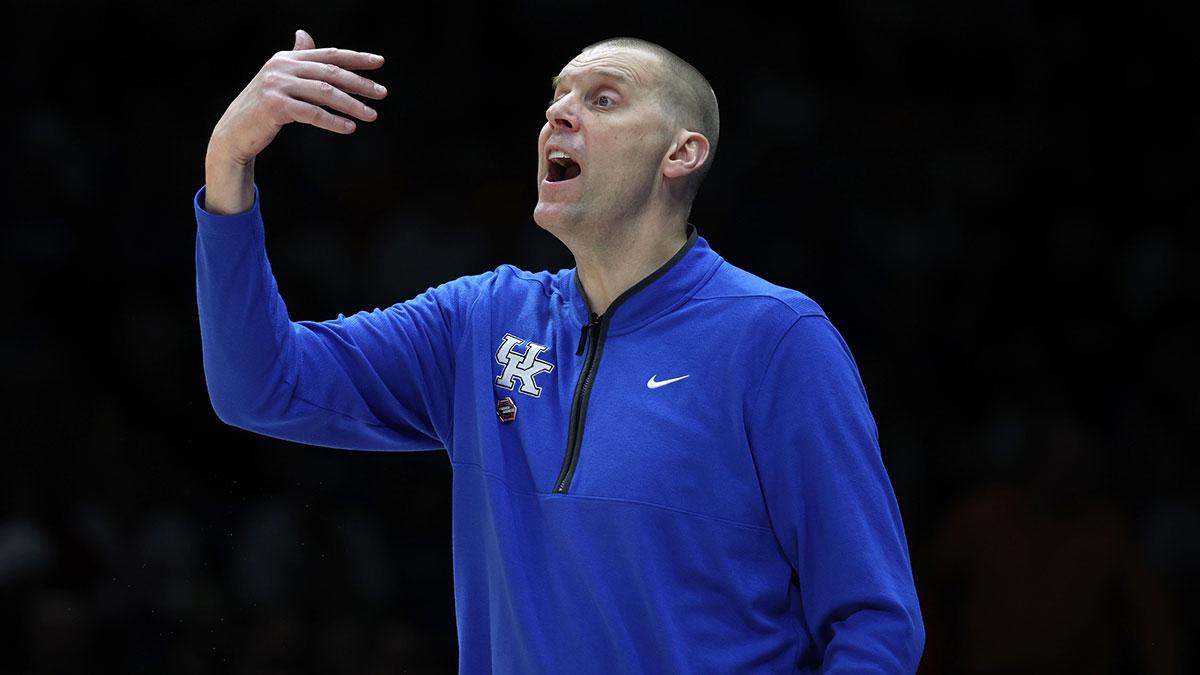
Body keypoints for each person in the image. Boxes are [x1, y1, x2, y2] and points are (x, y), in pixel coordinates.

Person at [194, 29, 925, 672]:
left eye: (603, 99)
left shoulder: (775, 337)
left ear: (682, 152)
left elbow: (873, 620)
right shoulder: (478, 321)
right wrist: (228, 162)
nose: (558, 112)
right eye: (557, 97)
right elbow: (259, 386)